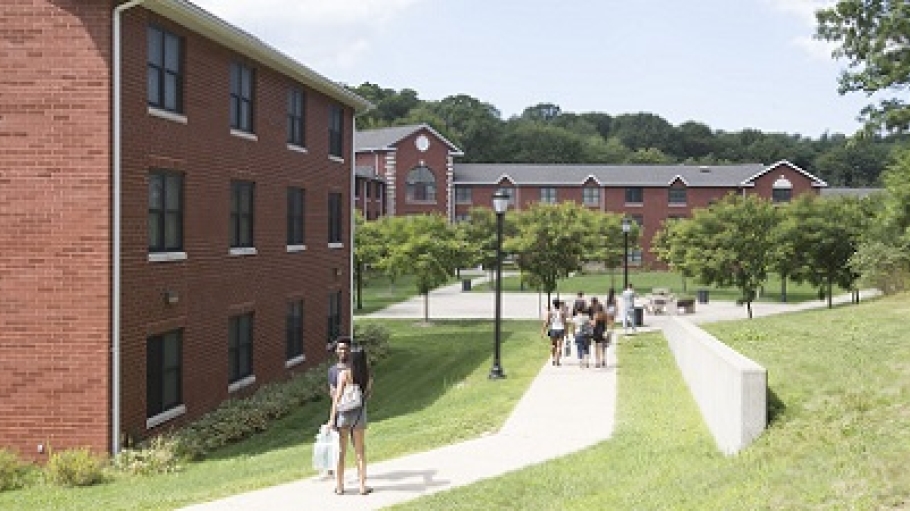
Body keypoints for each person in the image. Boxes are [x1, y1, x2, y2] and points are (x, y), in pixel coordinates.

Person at [327, 339, 373, 496]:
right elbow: (368, 395)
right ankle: (362, 487)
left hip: (344, 416)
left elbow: (336, 398)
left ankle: (340, 487)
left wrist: (331, 419)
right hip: (359, 415)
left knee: (341, 452)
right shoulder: (367, 376)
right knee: (360, 452)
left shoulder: (343, 374)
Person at [543, 299, 566, 366]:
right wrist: (566, 332)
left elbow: (547, 322)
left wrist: (543, 331)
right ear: (559, 304)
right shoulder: (562, 312)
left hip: (553, 329)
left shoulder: (550, 312)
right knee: (559, 346)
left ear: (553, 304)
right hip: (561, 329)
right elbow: (564, 323)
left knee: (553, 345)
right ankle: (557, 361)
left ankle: (553, 359)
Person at [590, 301, 608, 368]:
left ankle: (597, 362)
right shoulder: (605, 315)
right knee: (603, 347)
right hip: (603, 332)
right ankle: (603, 360)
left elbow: (594, 324)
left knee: (596, 348)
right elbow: (606, 324)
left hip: (596, 332)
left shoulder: (595, 315)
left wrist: (590, 322)